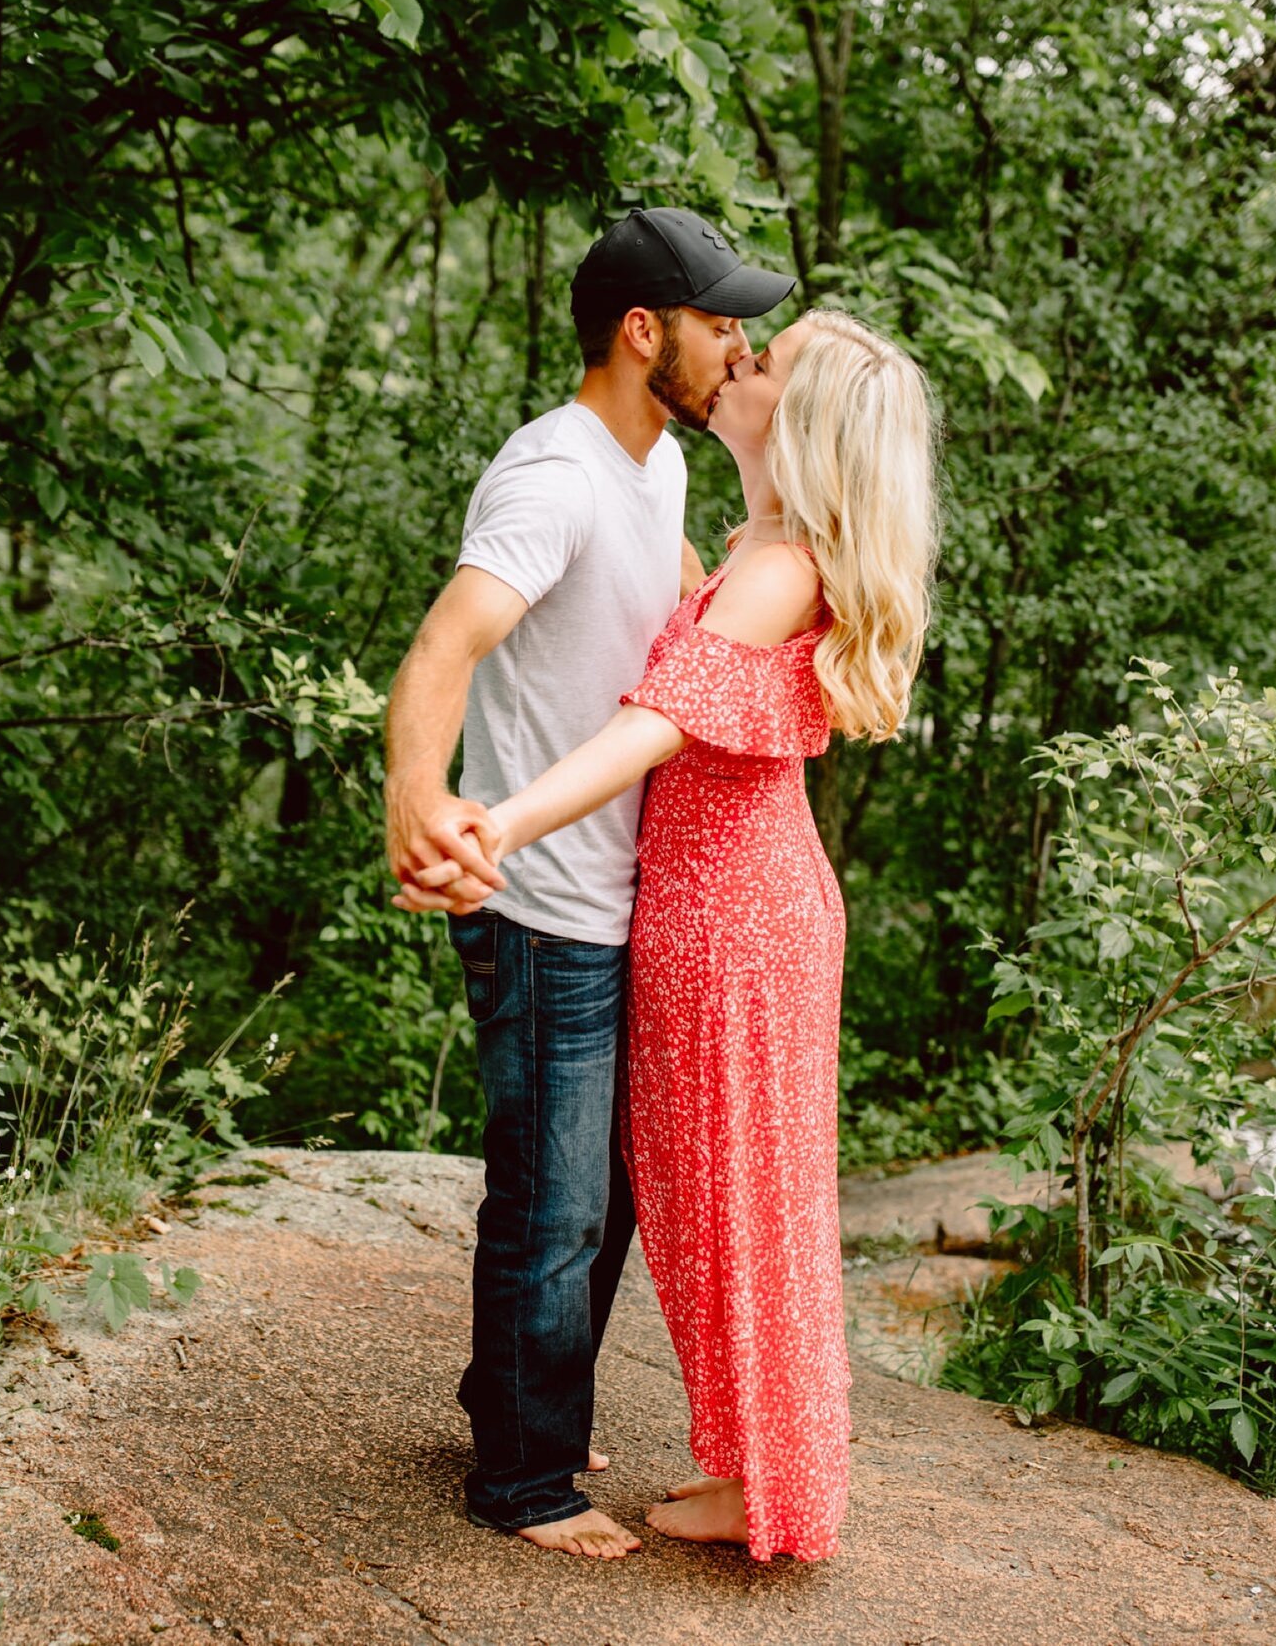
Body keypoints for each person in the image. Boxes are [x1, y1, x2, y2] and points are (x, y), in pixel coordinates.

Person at [406, 309, 942, 1561]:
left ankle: (770, 1484)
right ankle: (748, 1460)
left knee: (743, 1208)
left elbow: (652, 727)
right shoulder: (751, 541)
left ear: (800, 419)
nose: (739, 361)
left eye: (768, 362)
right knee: (706, 1201)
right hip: (716, 906)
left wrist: (495, 821)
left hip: (738, 917)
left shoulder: (778, 566)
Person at [381, 207, 795, 1559]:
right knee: (554, 1204)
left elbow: (662, 604)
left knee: (599, 1196)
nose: (736, 343)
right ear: (641, 329)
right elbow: (446, 645)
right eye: (717, 319)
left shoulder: (656, 462)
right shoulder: (554, 473)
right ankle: (524, 1479)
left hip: (623, 896)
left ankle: (519, 1400)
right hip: (543, 903)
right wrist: (420, 801)